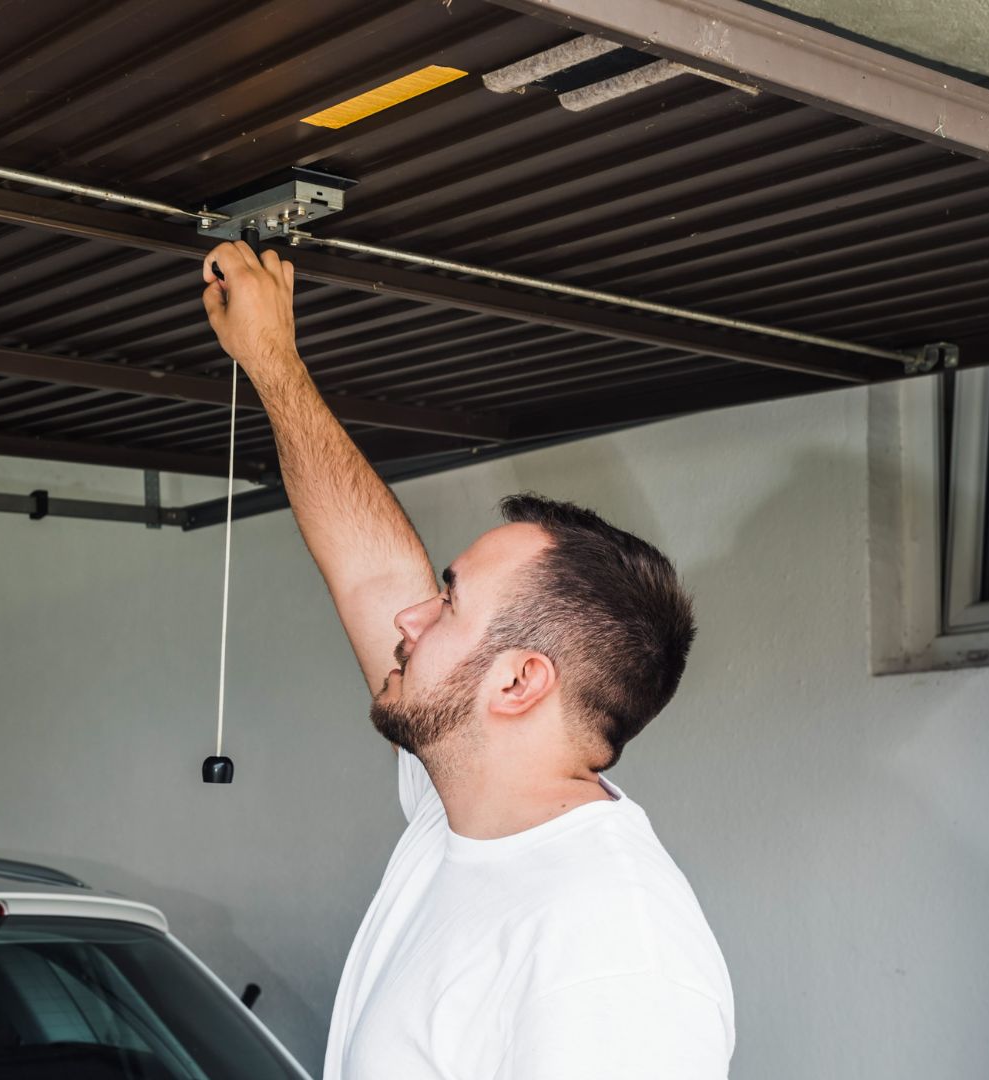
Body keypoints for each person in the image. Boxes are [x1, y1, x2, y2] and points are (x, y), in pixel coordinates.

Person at [200, 241, 734, 1079]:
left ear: (519, 681)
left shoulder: (614, 949)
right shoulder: (456, 813)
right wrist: (271, 360)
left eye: (448, 601)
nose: (412, 614)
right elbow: (373, 571)